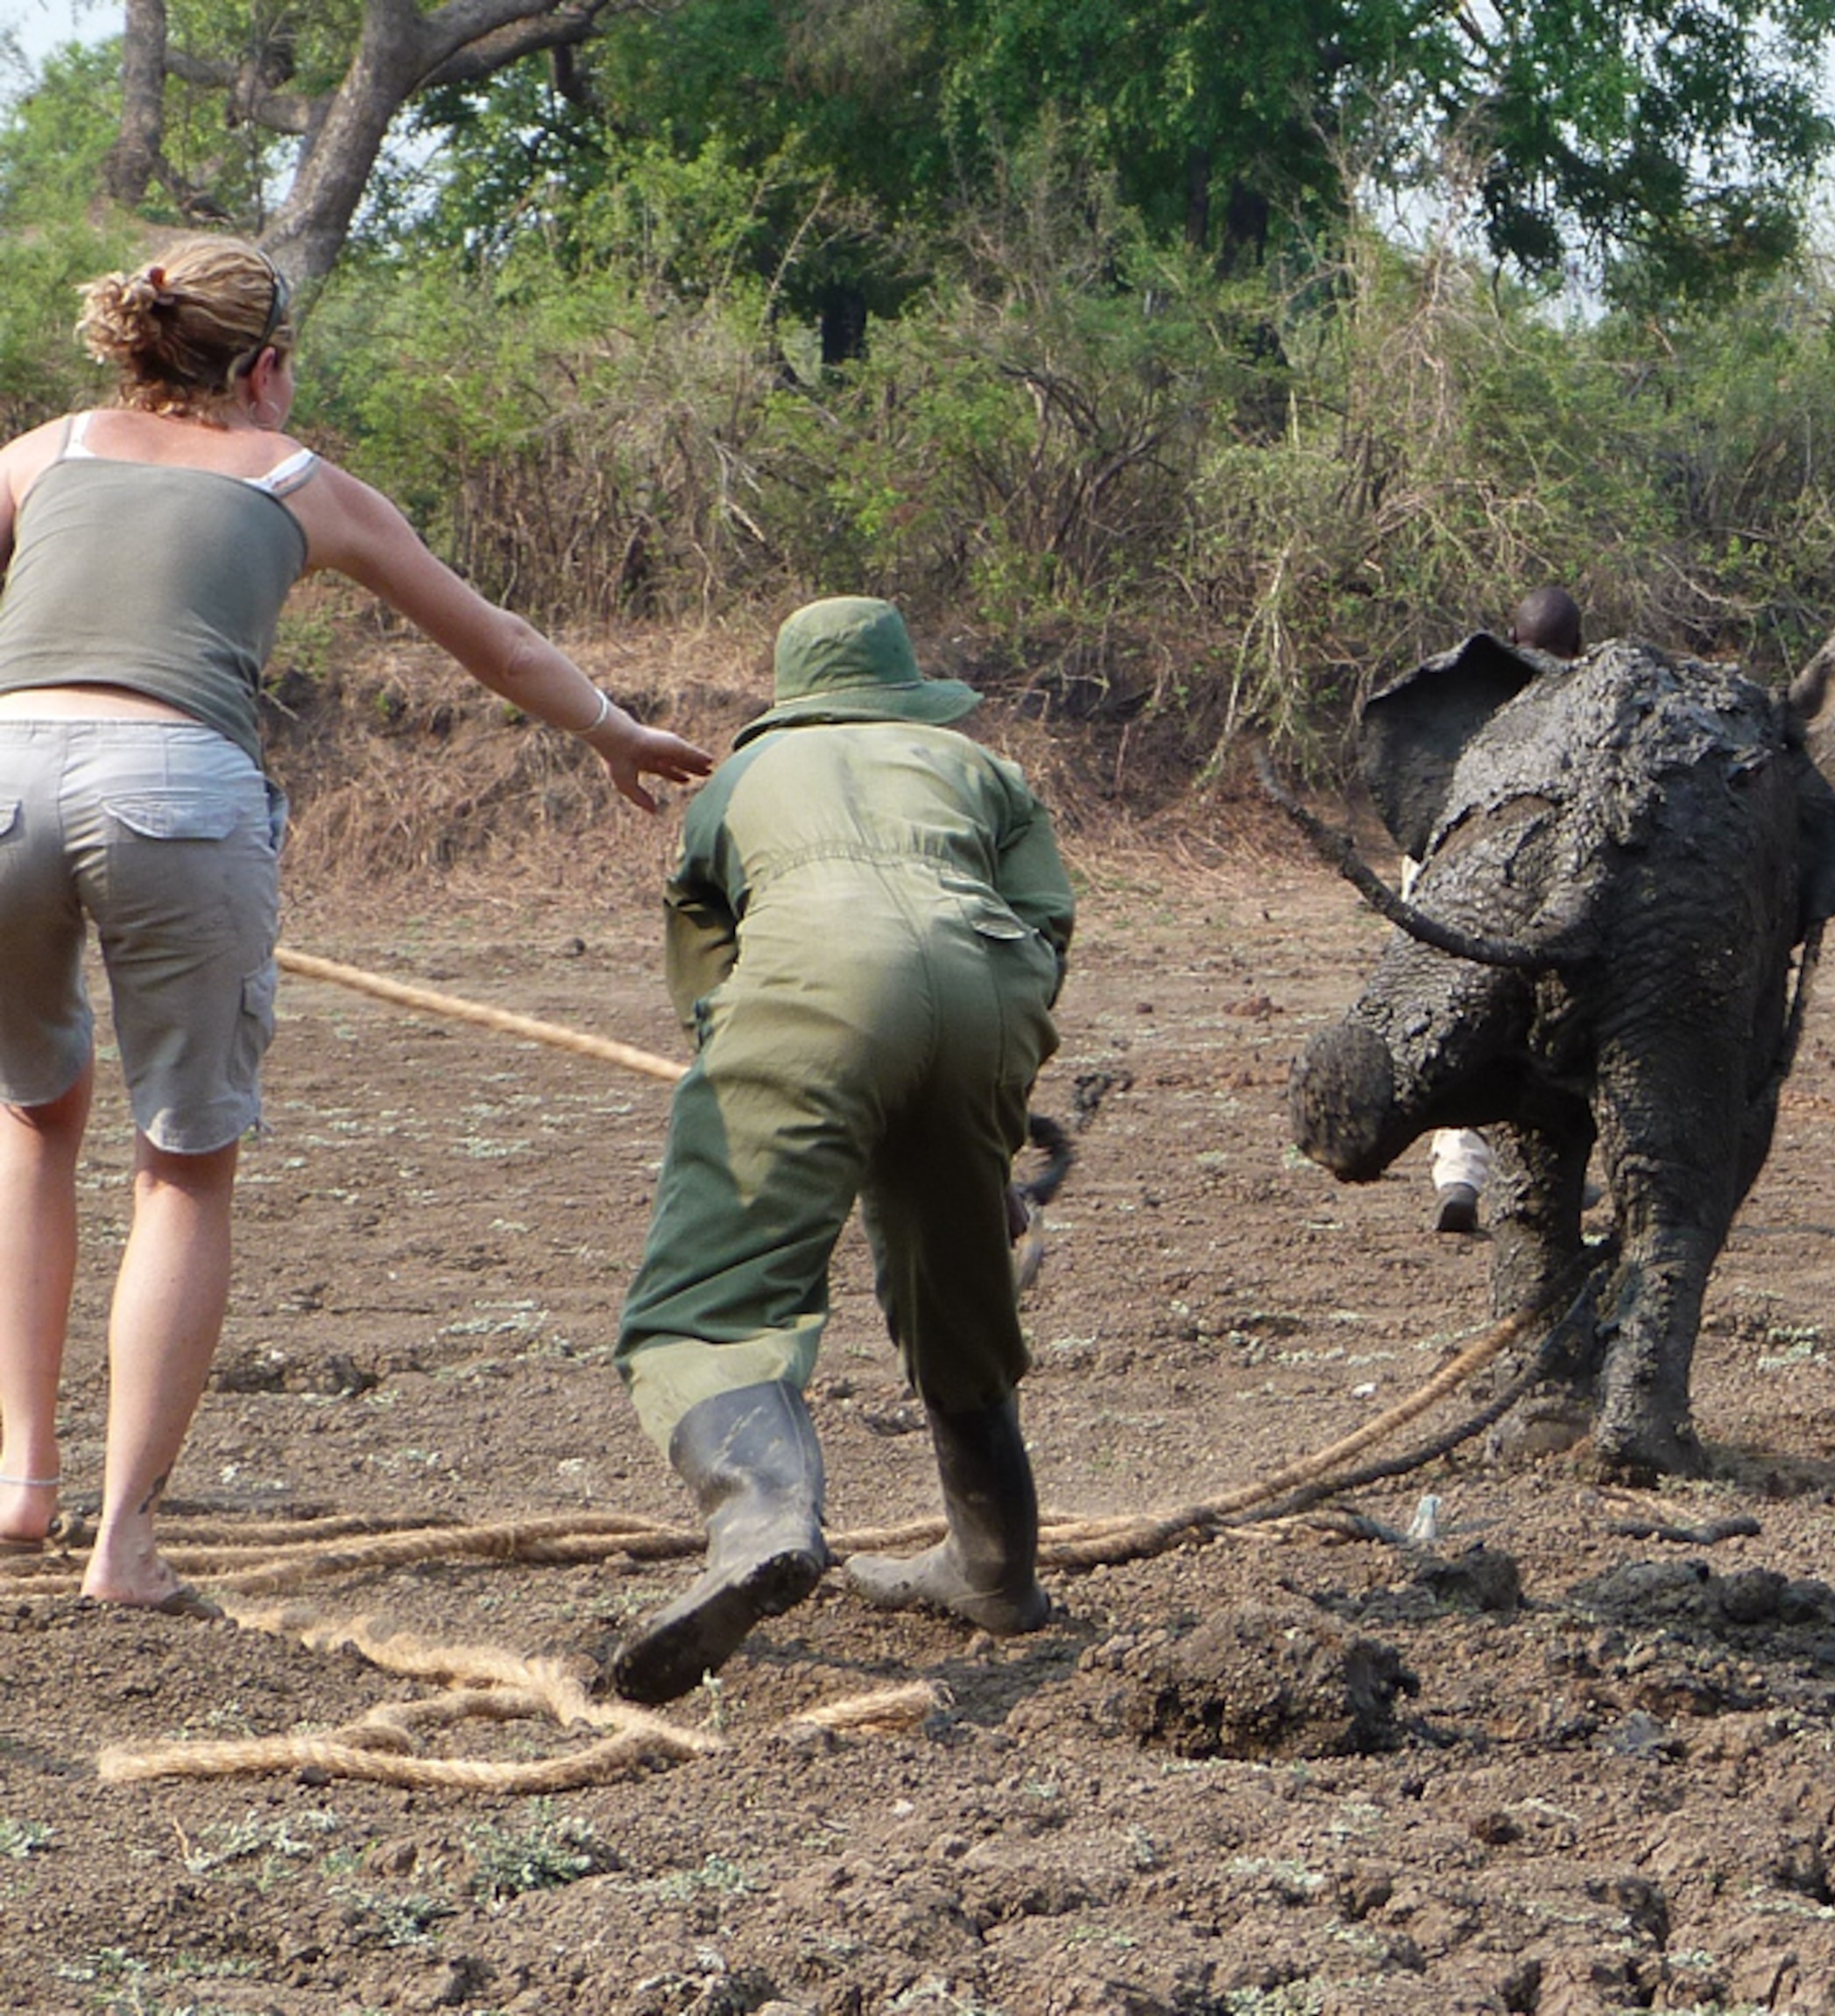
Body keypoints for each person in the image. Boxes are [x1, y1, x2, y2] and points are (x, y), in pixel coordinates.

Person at [0, 236, 715, 1610]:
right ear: (264, 367)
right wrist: (616, 732)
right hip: (175, 792)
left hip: (10, 778)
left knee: (32, 1119)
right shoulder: (296, 480)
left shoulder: (44, 451)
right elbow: (497, 644)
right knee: (181, 1160)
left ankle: (22, 1481)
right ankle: (122, 1544)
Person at [605, 595, 1073, 1705]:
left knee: (708, 1301)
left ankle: (762, 1518)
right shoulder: (982, 770)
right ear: (902, 686)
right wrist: (982, 1121)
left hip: (813, 991)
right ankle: (996, 1569)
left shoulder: (730, 791)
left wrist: (789, 1083)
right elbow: (1043, 927)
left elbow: (712, 979)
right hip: (987, 990)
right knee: (958, 1290)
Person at [1419, 586, 1584, 1237]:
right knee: (1558, 1031)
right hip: (1550, 890)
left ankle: (1461, 1176)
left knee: (1463, 1023)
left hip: (1456, 885)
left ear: (1513, 641)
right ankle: (1546, 1175)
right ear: (1577, 647)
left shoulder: (1471, 700)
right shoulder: (1591, 702)